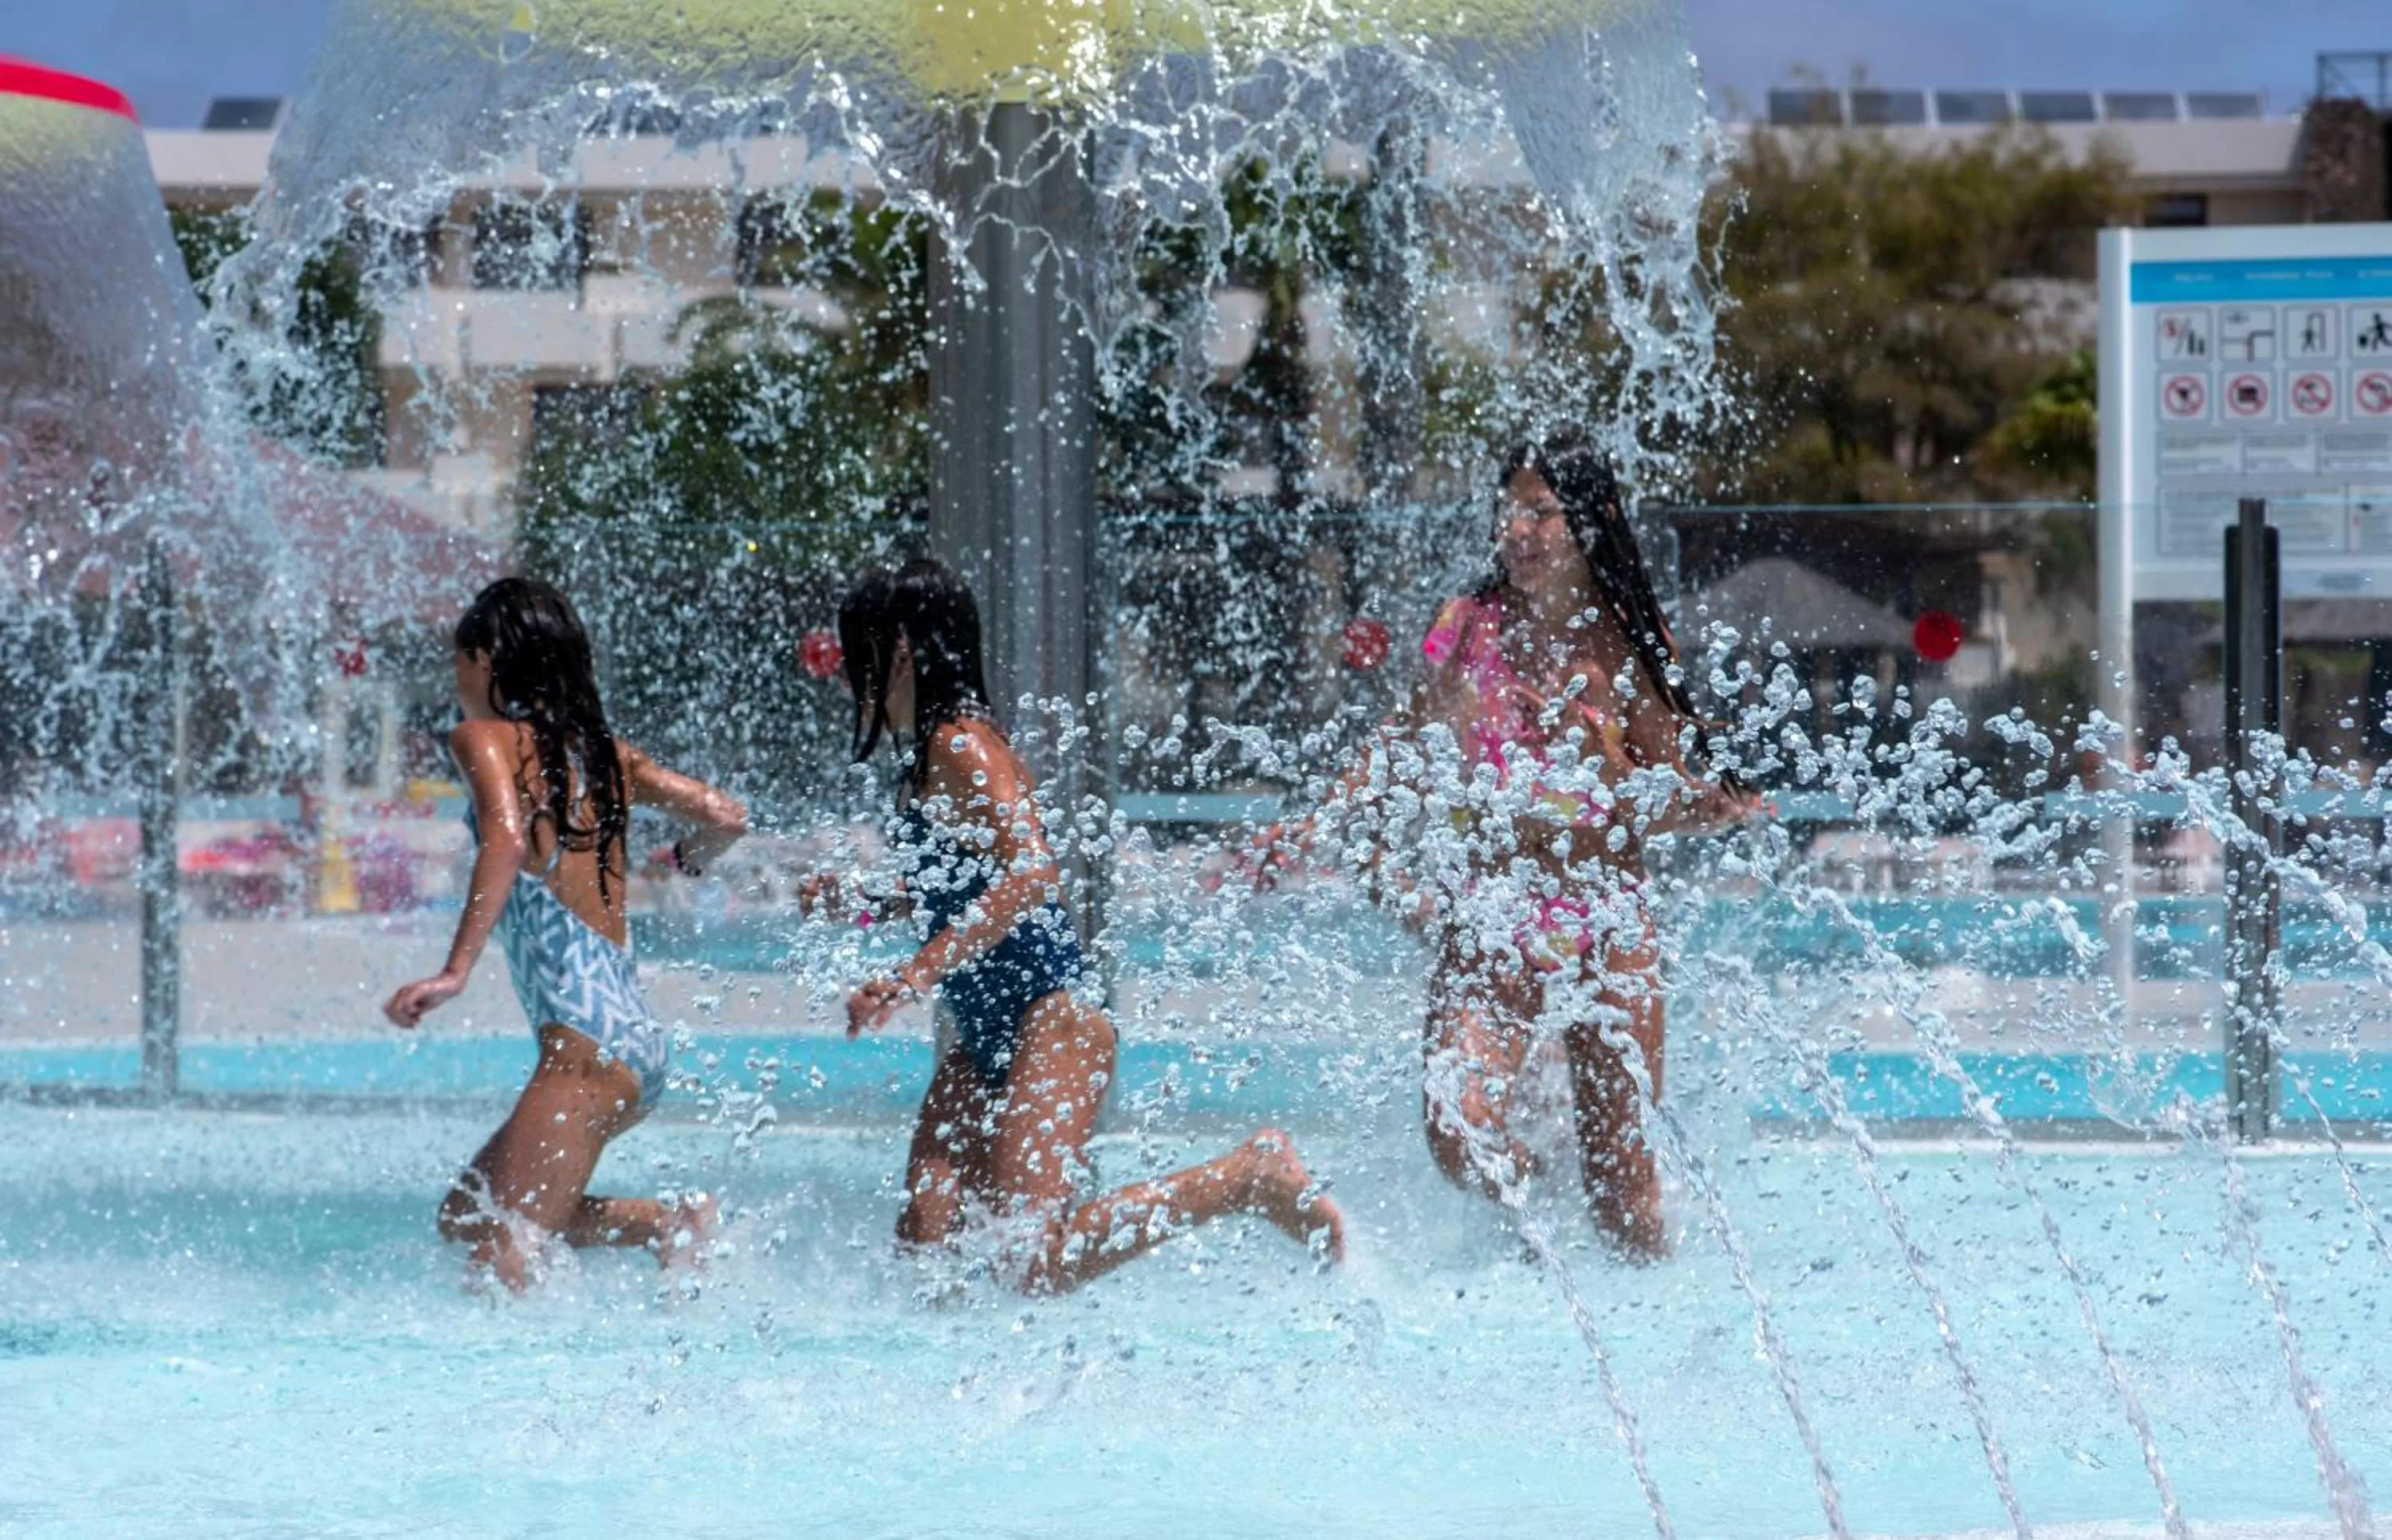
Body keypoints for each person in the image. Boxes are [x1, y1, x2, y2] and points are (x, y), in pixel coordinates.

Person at [1253, 437, 1751, 1258]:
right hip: (1497, 914)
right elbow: (1398, 740)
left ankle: (1645, 1337)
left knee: (1624, 1194)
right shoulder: (1469, 626)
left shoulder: (1624, 640)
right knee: (1458, 1132)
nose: (1515, 529)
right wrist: (1318, 821)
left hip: (1607, 921)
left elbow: (1666, 798)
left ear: (1590, 521)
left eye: (1538, 512)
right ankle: (1537, 1210)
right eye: (1507, 511)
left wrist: (1694, 799)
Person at [812, 559, 1344, 1292]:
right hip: (985, 1033)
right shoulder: (925, 762)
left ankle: (1246, 1177)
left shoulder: (961, 744)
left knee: (1030, 1261)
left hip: (1052, 1019)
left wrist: (912, 977)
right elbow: (959, 884)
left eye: (855, 648)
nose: (844, 672)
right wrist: (864, 902)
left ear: (899, 648)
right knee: (925, 1253)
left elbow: (1032, 873)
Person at [384, 577, 749, 1291]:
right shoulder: (607, 754)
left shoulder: (482, 739)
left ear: (486, 659)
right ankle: (667, 1222)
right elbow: (726, 817)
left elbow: (506, 840)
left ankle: (526, 1397)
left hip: (583, 1047)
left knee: (501, 1262)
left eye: (459, 661)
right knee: (466, 1215)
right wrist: (684, 862)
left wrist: (454, 971)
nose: (456, 679)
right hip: (632, 1042)